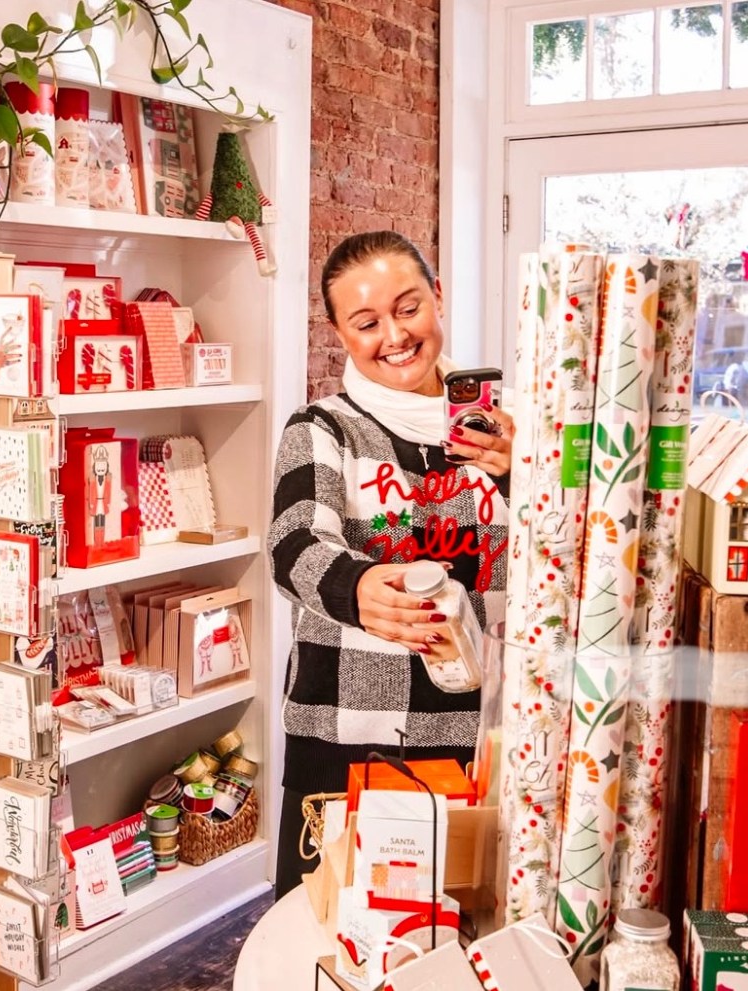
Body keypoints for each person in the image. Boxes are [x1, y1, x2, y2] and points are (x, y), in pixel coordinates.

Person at [268, 230, 512, 899]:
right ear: (340, 332)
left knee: (457, 934)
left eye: (408, 308)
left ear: (438, 298)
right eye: (367, 321)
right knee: (324, 935)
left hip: (478, 742)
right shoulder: (324, 428)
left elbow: (564, 549)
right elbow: (293, 545)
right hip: (346, 741)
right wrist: (357, 584)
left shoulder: (507, 427)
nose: (394, 336)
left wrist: (522, 473)